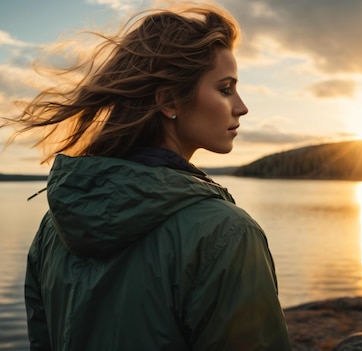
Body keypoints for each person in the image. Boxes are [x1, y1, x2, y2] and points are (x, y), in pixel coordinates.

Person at [3, 3, 292, 350]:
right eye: (226, 89)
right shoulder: (225, 234)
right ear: (169, 100)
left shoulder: (53, 228)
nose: (241, 106)